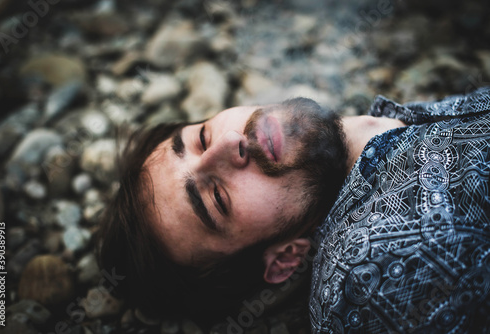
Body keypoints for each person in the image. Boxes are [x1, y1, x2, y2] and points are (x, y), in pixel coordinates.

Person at [96, 87, 490, 333]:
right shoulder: (372, 278)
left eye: (201, 137)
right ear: (285, 258)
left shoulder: (393, 122)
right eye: (217, 198)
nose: (230, 142)